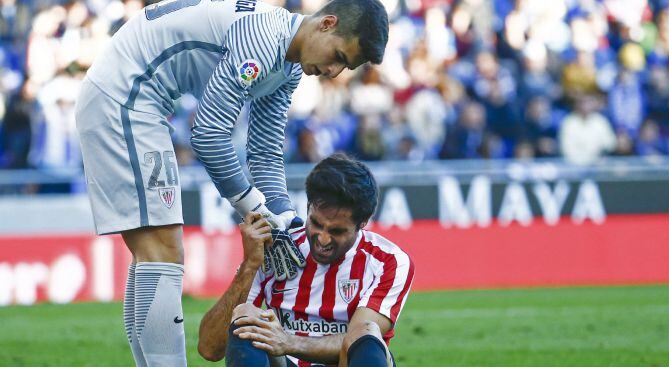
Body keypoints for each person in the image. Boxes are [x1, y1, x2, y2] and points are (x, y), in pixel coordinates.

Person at [74, 0, 389, 366]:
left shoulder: (287, 64)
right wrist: (254, 207)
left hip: (135, 97)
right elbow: (208, 134)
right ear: (326, 23)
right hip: (126, 96)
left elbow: (265, 153)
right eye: (337, 55)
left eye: (344, 66)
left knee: (152, 257)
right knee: (163, 253)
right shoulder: (262, 40)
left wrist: (285, 217)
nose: (333, 71)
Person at [198, 153, 414, 367]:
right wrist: (249, 265)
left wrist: (289, 341)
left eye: (337, 231)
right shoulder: (278, 250)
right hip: (287, 362)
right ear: (308, 207)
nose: (323, 238)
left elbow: (356, 340)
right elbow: (209, 348)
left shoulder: (388, 262)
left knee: (365, 331)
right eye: (317, 224)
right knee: (246, 316)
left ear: (363, 223)